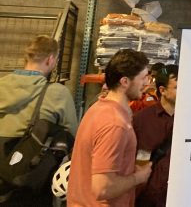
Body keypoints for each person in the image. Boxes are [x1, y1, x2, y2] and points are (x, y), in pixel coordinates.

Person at [68, 49, 153, 206]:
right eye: (143, 78)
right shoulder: (115, 124)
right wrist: (138, 178)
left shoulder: (99, 108)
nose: (147, 83)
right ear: (125, 82)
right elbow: (103, 188)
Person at [0, 35, 78, 206]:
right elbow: (73, 136)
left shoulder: (2, 84)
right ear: (51, 59)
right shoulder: (57, 93)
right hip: (31, 181)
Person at [132, 64, 178, 207]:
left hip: (178, 196)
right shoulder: (142, 120)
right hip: (147, 198)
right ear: (162, 90)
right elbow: (136, 159)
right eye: (177, 87)